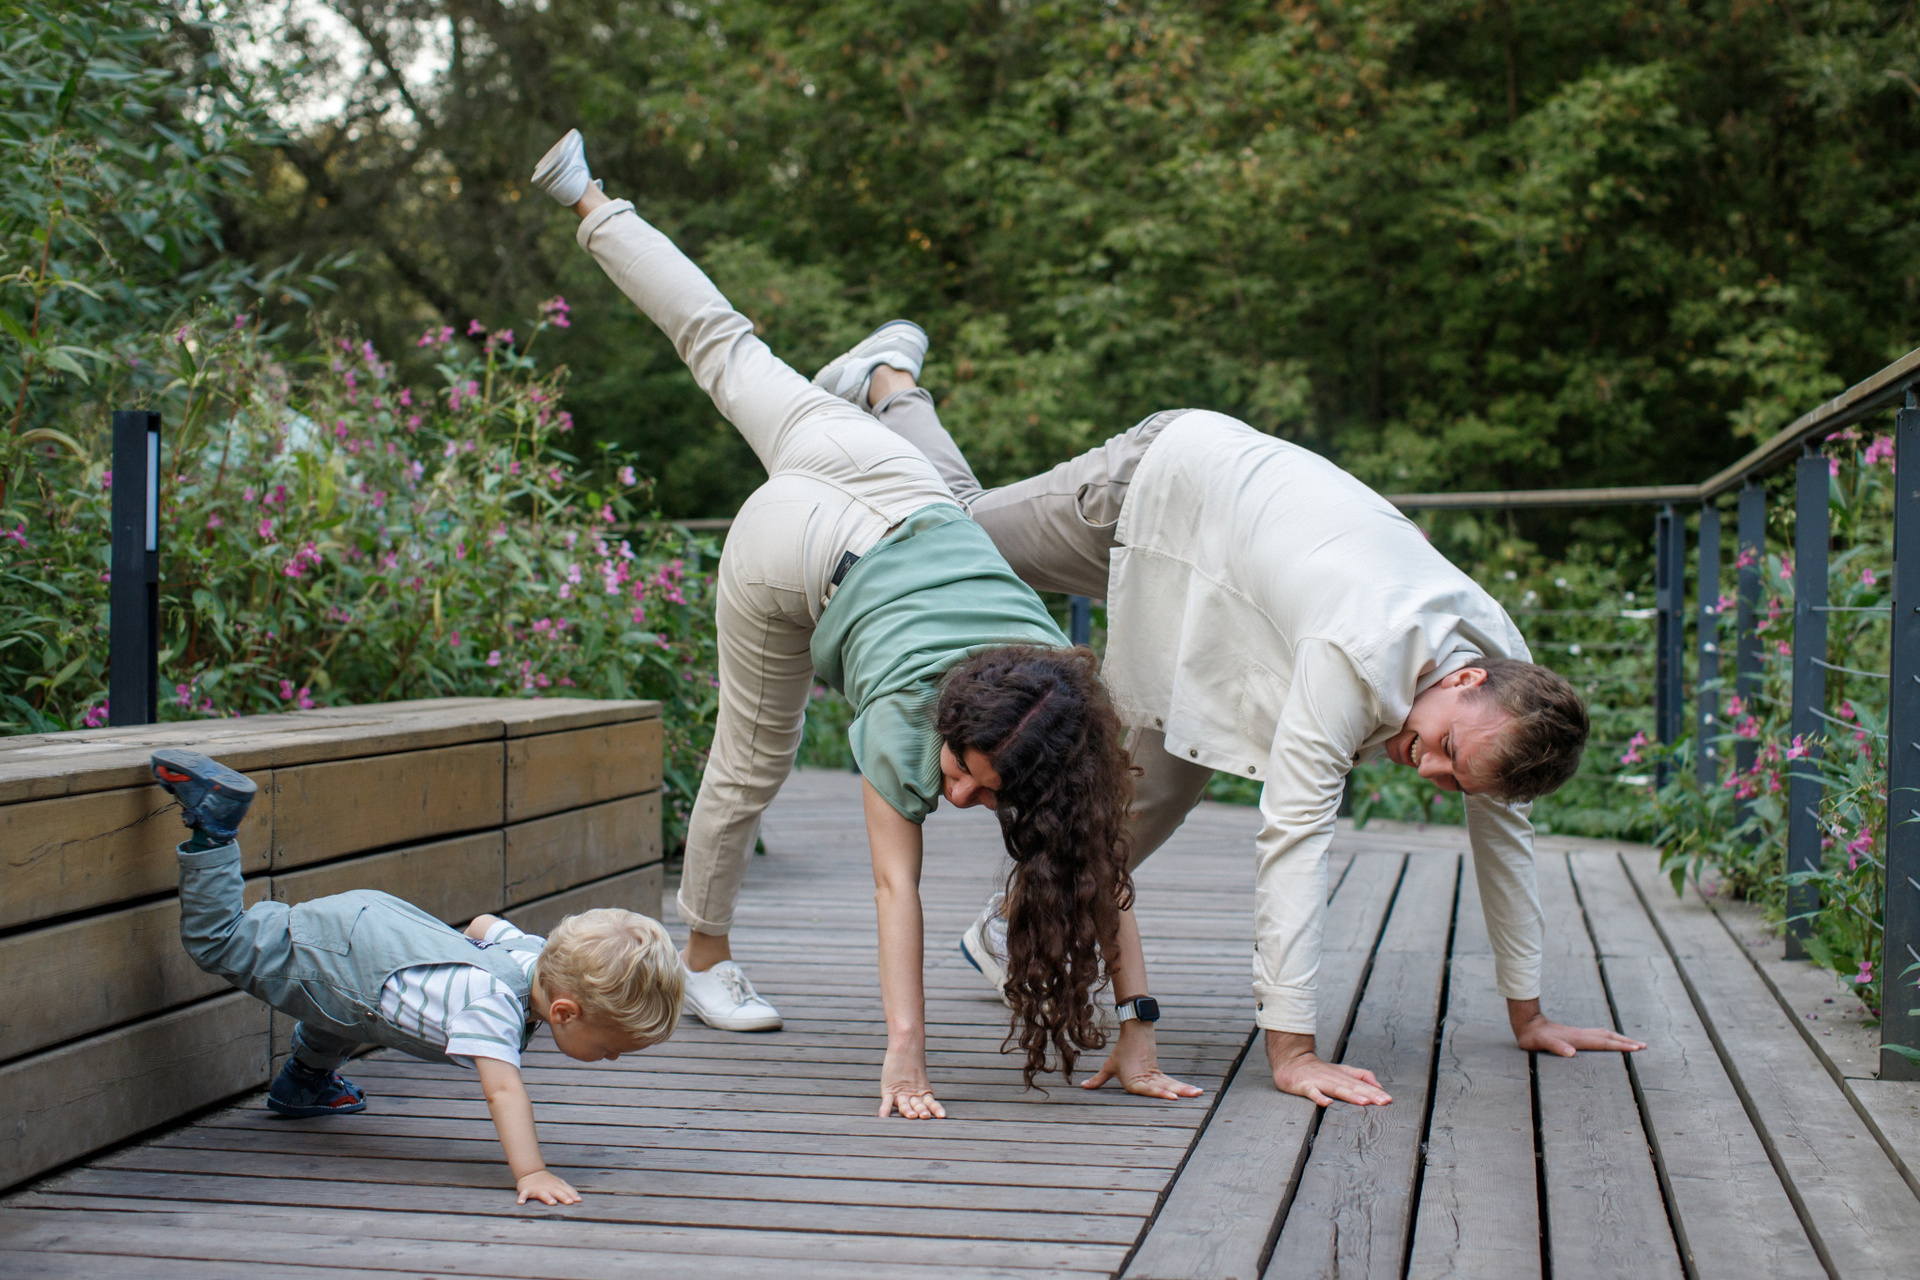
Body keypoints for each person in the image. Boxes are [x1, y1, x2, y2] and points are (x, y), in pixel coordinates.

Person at [529, 131, 1198, 1117]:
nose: (957, 793)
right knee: (754, 756)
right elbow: (897, 890)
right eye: (960, 769)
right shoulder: (904, 723)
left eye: (980, 785)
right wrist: (905, 1054)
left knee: (729, 349)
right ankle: (704, 955)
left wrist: (1138, 1027)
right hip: (797, 542)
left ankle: (591, 198)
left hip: (882, 469)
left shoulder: (1063, 708)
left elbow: (1101, 863)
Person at [845, 351, 1647, 1108]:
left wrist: (1528, 1013)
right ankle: (889, 381)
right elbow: (1296, 840)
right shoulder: (1355, 649)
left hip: (1221, 612)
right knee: (957, 525)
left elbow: (1505, 836)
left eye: (1453, 777)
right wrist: (1292, 1052)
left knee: (1142, 797)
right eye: (1444, 751)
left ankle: (1006, 923)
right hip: (1161, 490)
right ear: (1465, 680)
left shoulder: (1506, 683)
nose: (1431, 771)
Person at [151, 749, 683, 1206]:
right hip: (343, 953)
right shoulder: (495, 1007)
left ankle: (303, 1085)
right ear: (564, 1012)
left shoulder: (533, 953)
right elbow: (504, 1091)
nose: (611, 1059)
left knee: (349, 1011)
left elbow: (483, 924)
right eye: (609, 1048)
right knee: (218, 942)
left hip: (370, 945)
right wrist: (532, 1172)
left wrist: (444, 968)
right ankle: (214, 831)